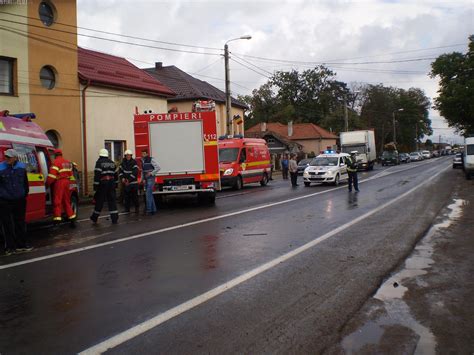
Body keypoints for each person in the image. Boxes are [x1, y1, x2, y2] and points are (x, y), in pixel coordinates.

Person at [0, 149, 32, 255]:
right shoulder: (1, 167)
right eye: (6, 157)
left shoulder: (21, 168)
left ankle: (21, 245)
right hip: (5, 201)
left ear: (15, 158)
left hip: (19, 200)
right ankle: (9, 247)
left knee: (20, 223)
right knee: (7, 224)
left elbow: (25, 183)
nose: (7, 159)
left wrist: (24, 194)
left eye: (9, 157)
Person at [46, 149, 76, 227]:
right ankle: (72, 218)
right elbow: (71, 174)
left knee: (57, 201)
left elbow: (52, 176)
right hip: (67, 182)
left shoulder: (56, 162)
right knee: (67, 201)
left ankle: (57, 219)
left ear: (55, 155)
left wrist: (47, 184)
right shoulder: (67, 162)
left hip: (59, 182)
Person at [90, 149, 119, 224]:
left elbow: (97, 175)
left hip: (103, 184)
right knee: (112, 201)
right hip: (111, 183)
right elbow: (116, 174)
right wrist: (116, 184)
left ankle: (94, 217)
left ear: (100, 155)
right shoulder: (112, 163)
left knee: (100, 201)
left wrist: (95, 186)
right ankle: (114, 218)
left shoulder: (99, 162)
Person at [119, 149, 139, 214]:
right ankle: (127, 209)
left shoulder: (134, 162)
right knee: (126, 197)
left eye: (129, 155)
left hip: (133, 183)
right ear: (125, 156)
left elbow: (135, 172)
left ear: (131, 156)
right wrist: (122, 178)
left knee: (134, 197)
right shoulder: (122, 163)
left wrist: (129, 180)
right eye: (127, 155)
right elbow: (120, 172)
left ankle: (137, 209)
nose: (128, 156)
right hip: (126, 183)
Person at [141, 149, 160, 215]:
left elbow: (158, 167)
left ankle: (149, 210)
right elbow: (143, 171)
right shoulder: (143, 161)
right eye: (142, 153)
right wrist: (142, 179)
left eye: (144, 153)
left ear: (147, 154)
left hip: (151, 178)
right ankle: (153, 210)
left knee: (148, 194)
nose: (143, 155)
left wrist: (151, 173)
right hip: (146, 179)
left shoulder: (151, 159)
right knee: (149, 194)